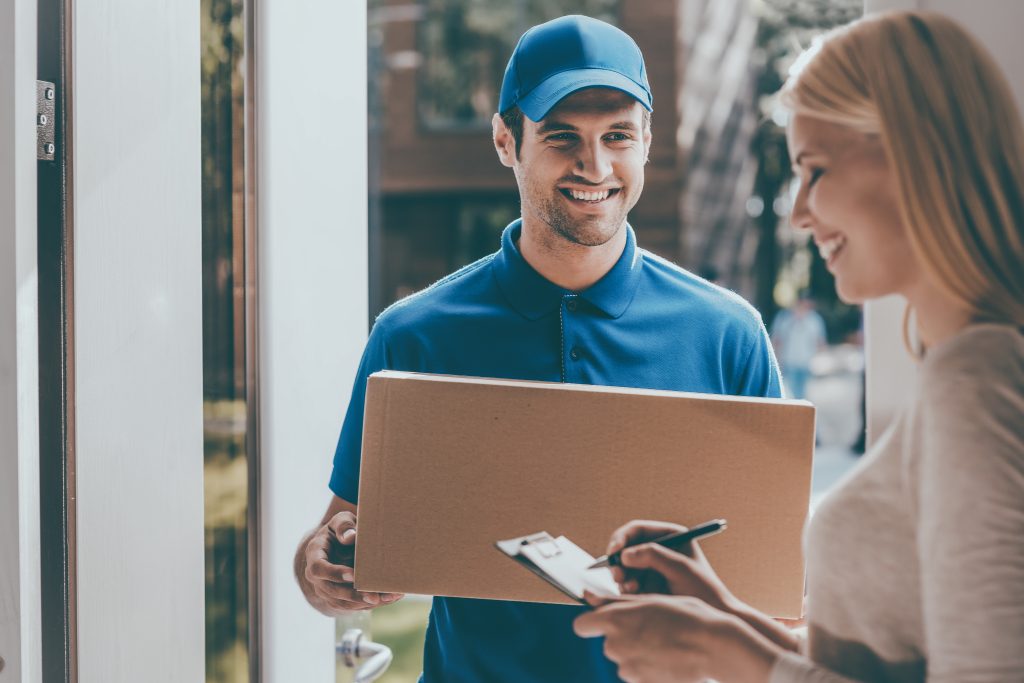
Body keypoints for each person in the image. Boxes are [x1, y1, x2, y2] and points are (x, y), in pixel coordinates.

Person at [293, 14, 782, 683]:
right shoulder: (414, 335)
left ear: (647, 141)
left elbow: (784, 590)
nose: (596, 167)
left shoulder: (729, 335)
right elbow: (336, 535)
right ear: (505, 140)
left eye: (618, 136)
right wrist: (321, 568)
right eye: (563, 138)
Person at [573, 10, 1024, 682]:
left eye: (814, 170)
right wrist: (720, 610)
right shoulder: (964, 372)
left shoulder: (978, 379)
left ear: (914, 151)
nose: (797, 212)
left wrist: (724, 654)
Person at [770, 293, 827, 399]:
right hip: (788, 362)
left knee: (802, 394)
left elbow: (820, 342)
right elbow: (776, 340)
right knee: (791, 393)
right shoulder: (784, 318)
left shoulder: (815, 320)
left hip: (806, 362)